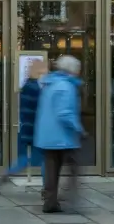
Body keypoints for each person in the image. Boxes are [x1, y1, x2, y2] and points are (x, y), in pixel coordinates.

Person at [34, 55, 85, 214]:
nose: (78, 73)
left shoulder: (50, 83)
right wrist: (79, 129)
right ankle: (70, 197)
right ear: (72, 70)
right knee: (74, 167)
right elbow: (65, 114)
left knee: (51, 170)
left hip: (47, 136)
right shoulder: (66, 86)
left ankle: (50, 202)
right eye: (77, 69)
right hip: (63, 137)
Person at [0, 59, 47, 193]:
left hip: (25, 128)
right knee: (45, 159)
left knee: (24, 158)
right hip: (35, 129)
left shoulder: (26, 85)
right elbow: (40, 109)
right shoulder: (35, 88)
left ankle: (7, 173)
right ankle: (49, 188)